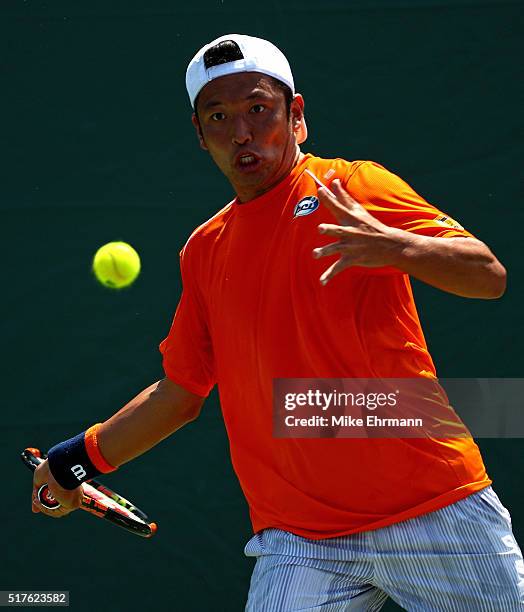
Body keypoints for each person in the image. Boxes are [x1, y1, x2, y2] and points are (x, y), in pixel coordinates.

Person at [32, 34, 523, 610]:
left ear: (297, 117)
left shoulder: (354, 189)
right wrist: (74, 459)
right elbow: (181, 392)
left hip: (434, 509)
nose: (241, 132)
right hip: (298, 540)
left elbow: (488, 276)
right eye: (219, 117)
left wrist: (398, 247)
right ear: (201, 135)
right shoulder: (204, 250)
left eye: (258, 109)